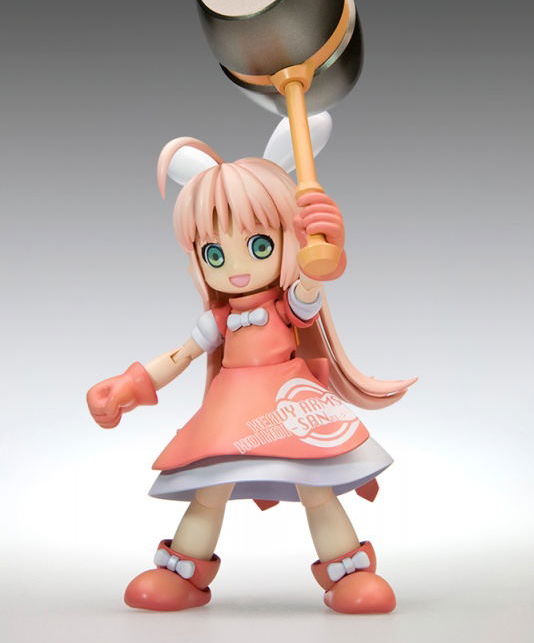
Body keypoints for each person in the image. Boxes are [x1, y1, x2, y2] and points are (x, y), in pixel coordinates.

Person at [87, 128, 416, 614]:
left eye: (259, 245)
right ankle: (182, 574)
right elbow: (181, 355)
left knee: (316, 487)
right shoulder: (221, 319)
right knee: (210, 489)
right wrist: (131, 386)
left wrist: (320, 258)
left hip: (287, 404)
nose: (236, 268)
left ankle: (348, 573)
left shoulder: (284, 306)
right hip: (230, 410)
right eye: (215, 254)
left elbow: (307, 293)